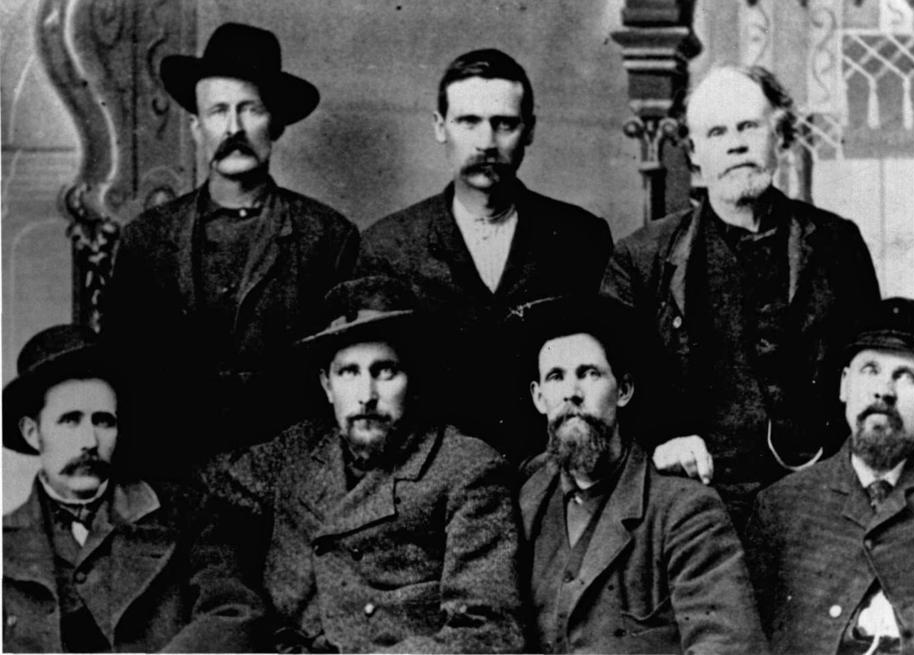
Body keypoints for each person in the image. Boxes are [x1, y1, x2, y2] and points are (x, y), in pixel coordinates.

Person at [602, 64, 881, 529]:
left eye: (749, 127)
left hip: (819, 501)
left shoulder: (837, 244)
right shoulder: (641, 259)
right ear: (694, 153)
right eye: (716, 132)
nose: (735, 144)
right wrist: (659, 445)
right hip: (692, 506)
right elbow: (610, 390)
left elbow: (871, 369)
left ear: (780, 136)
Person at [203, 276, 525, 653]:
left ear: (413, 380)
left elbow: (490, 633)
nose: (366, 395)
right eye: (349, 372)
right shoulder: (297, 453)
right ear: (327, 385)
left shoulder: (465, 469)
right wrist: (235, 603)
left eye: (384, 371)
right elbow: (209, 502)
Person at [104, 23, 359, 477]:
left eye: (250, 109)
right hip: (168, 479)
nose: (234, 128)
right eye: (219, 111)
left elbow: (342, 380)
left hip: (289, 483)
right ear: (197, 127)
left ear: (276, 123)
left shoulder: (329, 238)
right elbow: (121, 376)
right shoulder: (145, 240)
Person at [355, 49, 612, 461]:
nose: (486, 142)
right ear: (440, 127)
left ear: (528, 130)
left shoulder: (580, 238)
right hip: (430, 478)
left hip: (551, 470)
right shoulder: (388, 247)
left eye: (504, 124)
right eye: (468, 121)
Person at [514, 294, 768, 654]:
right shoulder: (527, 500)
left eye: (589, 373)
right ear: (539, 398)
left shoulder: (684, 510)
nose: (571, 393)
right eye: (556, 377)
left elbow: (727, 645)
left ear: (623, 390)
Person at [2, 325, 265, 652]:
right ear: (31, 432)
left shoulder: (189, 516)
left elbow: (235, 612)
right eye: (70, 420)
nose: (89, 442)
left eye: (103, 421)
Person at [746, 297, 914, 654]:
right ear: (844, 385)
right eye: (870, 369)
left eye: (906, 377)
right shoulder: (779, 508)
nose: (884, 391)